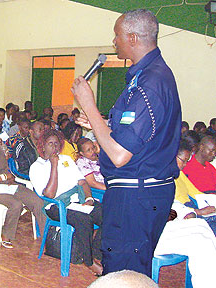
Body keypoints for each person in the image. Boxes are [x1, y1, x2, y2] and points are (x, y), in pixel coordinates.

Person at [71, 9, 181, 276]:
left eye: (117, 35)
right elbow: (143, 135)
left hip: (136, 194)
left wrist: (89, 104)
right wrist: (104, 123)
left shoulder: (150, 83)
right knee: (128, 269)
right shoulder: (148, 76)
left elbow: (120, 154)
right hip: (142, 191)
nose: (114, 42)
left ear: (132, 37)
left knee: (123, 273)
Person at [29, 129, 102, 275]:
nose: (54, 147)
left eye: (57, 144)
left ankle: (96, 251)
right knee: (83, 220)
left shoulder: (67, 160)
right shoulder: (36, 167)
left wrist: (88, 198)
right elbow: (49, 194)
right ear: (43, 146)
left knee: (107, 213)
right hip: (56, 205)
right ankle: (89, 262)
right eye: (50, 144)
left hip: (77, 200)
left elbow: (82, 181)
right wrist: (54, 165)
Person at [0, 124, 46, 248]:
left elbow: (6, 169)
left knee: (37, 201)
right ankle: (6, 235)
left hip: (7, 185)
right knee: (15, 204)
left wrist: (9, 178)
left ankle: (45, 236)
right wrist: (5, 177)